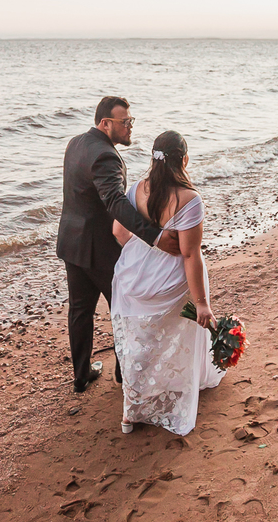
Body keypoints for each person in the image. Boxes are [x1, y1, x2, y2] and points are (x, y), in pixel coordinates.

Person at [57, 96, 182, 393]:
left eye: (130, 121)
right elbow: (115, 202)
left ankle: (81, 376)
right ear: (106, 123)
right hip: (100, 250)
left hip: (71, 243)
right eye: (124, 122)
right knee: (124, 309)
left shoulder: (75, 143)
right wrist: (155, 236)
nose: (130, 126)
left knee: (79, 311)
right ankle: (124, 372)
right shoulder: (106, 156)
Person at [111, 130, 223, 436]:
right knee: (175, 330)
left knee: (141, 341)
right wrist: (202, 304)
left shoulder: (136, 188)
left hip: (133, 276)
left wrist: (145, 253)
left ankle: (130, 412)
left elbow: (119, 233)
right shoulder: (190, 200)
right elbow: (190, 254)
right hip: (169, 282)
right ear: (184, 160)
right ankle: (179, 381)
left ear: (154, 158)